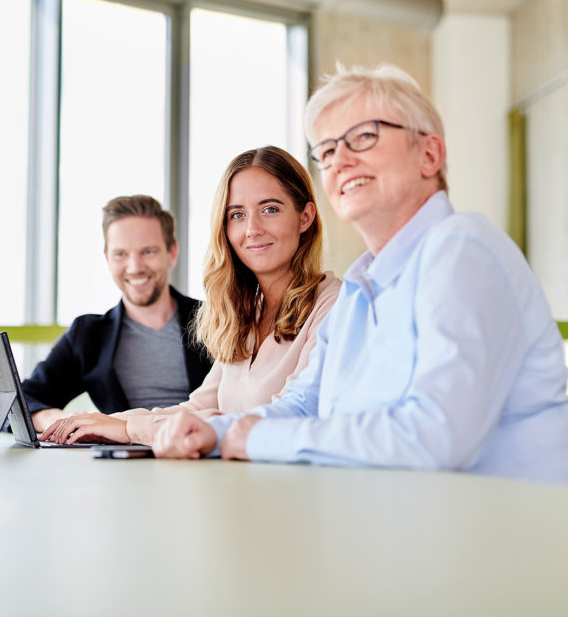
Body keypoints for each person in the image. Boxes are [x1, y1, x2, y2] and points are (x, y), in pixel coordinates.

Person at [154, 65, 568, 488]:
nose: (339, 160)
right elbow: (303, 402)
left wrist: (254, 438)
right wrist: (217, 433)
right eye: (325, 151)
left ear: (429, 154)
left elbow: (437, 436)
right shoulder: (361, 287)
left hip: (518, 543)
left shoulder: (462, 247)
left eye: (363, 137)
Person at [39, 146, 341, 446]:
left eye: (270, 209)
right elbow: (196, 408)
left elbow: (288, 416)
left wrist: (131, 429)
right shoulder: (244, 313)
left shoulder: (334, 304)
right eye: (237, 214)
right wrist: (112, 422)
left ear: (305, 217)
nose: (252, 229)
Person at [20, 195, 213, 433]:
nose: (134, 267)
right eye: (121, 254)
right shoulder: (89, 335)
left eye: (148, 252)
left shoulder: (216, 320)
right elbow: (21, 401)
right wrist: (54, 418)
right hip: (122, 463)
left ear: (171, 253)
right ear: (107, 258)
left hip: (199, 455)